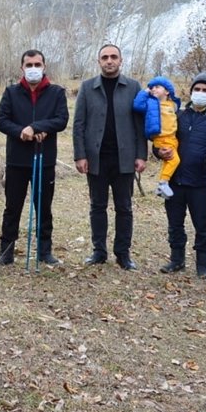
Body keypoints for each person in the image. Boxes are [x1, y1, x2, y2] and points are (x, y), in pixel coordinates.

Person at [72, 44, 146, 269]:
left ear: (121, 61)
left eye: (114, 57)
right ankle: (99, 252)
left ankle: (123, 254)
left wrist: (141, 155)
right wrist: (80, 155)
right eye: (104, 57)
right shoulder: (87, 88)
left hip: (124, 158)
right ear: (99, 61)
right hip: (96, 159)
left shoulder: (133, 87)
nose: (109, 61)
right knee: (97, 206)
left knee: (124, 207)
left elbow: (140, 124)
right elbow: (79, 124)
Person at [0, 49, 70, 266]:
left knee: (44, 207)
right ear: (22, 68)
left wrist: (37, 127)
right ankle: (6, 251)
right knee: (12, 207)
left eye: (37, 64)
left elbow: (61, 119)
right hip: (17, 160)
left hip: (44, 159)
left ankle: (44, 251)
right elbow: (2, 120)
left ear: (44, 66)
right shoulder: (11, 92)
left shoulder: (56, 92)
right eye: (29, 65)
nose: (33, 69)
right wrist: (22, 131)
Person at [159, 72, 206, 278]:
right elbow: (163, 141)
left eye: (205, 90)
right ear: (191, 92)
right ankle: (176, 259)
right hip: (174, 179)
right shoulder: (178, 116)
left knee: (202, 223)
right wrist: (159, 152)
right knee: (174, 222)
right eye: (197, 89)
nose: (200, 93)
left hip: (199, 181)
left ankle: (203, 264)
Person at [133, 76, 180, 199]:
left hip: (172, 138)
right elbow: (137, 106)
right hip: (161, 138)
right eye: (152, 87)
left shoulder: (171, 104)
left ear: (167, 91)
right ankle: (163, 182)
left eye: (157, 87)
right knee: (175, 160)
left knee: (169, 161)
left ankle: (162, 185)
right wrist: (144, 92)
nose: (154, 89)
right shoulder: (151, 103)